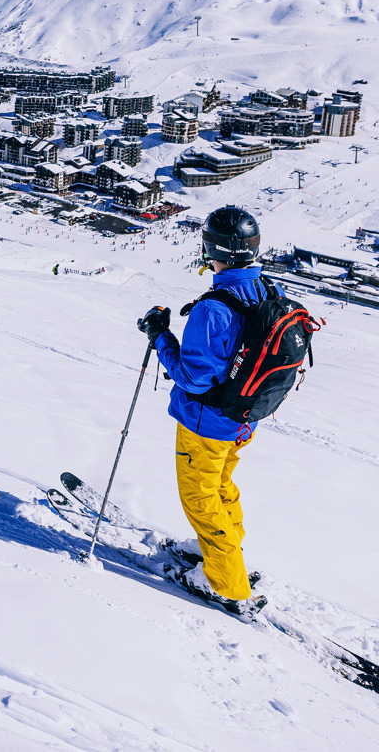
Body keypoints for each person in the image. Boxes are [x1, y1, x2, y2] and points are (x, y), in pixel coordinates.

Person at [138, 206, 268, 616]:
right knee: (221, 487)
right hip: (241, 417)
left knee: (200, 498)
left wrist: (160, 336)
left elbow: (193, 378)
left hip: (206, 423)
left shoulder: (214, 308)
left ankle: (226, 583)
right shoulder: (264, 289)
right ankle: (222, 550)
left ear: (214, 248)